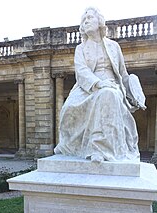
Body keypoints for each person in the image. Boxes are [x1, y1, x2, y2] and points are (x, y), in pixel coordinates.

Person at [54, 7, 146, 162]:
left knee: (108, 95)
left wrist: (134, 94)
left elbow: (123, 74)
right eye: (84, 20)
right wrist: (98, 83)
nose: (86, 21)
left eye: (89, 18)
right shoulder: (81, 48)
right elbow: (81, 71)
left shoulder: (113, 46)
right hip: (87, 86)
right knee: (67, 109)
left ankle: (100, 148)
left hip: (112, 85)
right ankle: (70, 145)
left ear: (99, 22)